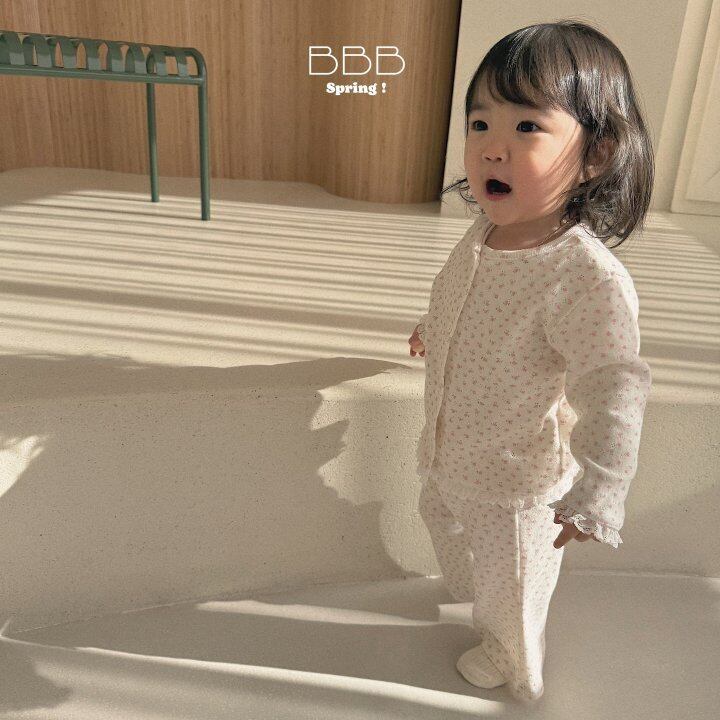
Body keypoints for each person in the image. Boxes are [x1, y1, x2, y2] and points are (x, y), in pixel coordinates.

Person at [407, 20, 653, 703]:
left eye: (526, 128)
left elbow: (613, 387)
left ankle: (517, 664)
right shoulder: (486, 232)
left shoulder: (584, 276)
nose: (492, 147)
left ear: (596, 155)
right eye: (480, 123)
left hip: (517, 478)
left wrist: (599, 490)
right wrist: (431, 328)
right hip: (452, 448)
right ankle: (481, 603)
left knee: (515, 582)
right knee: (448, 530)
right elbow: (461, 294)